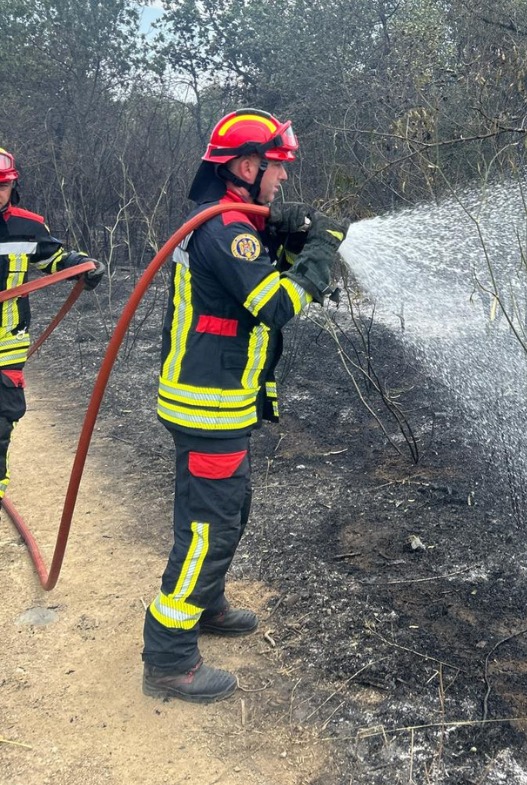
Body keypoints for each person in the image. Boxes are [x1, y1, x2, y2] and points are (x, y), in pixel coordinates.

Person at [142, 109, 348, 703]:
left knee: (230, 513)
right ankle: (168, 657)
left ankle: (204, 607)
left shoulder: (235, 224)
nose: (282, 180)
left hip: (219, 401)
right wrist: (320, 250)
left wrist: (286, 238)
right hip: (207, 406)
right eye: (276, 168)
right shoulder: (223, 230)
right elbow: (276, 305)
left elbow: (250, 283)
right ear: (245, 165)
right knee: (208, 529)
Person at [0, 147, 105, 502]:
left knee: (1, 423)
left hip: (7, 343)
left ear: (13, 188)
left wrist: (83, 266)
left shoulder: (28, 226)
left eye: (1, 186)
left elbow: (55, 258)